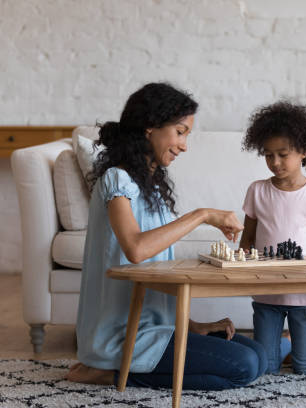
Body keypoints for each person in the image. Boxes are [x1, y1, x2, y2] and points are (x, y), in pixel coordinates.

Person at [66, 82, 267, 390]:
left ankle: (132, 367)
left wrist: (193, 327)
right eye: (180, 131)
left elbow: (156, 275)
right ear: (150, 128)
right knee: (244, 366)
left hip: (157, 330)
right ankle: (105, 370)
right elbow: (136, 249)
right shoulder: (116, 179)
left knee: (258, 355)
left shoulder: (153, 187)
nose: (184, 145)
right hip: (121, 335)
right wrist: (202, 215)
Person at [238, 101, 306, 375]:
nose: (275, 163)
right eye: (268, 155)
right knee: (266, 368)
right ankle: (281, 345)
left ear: (304, 151)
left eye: (283, 154)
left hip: (304, 296)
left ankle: (295, 346)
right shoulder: (257, 191)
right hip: (266, 293)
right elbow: (247, 239)